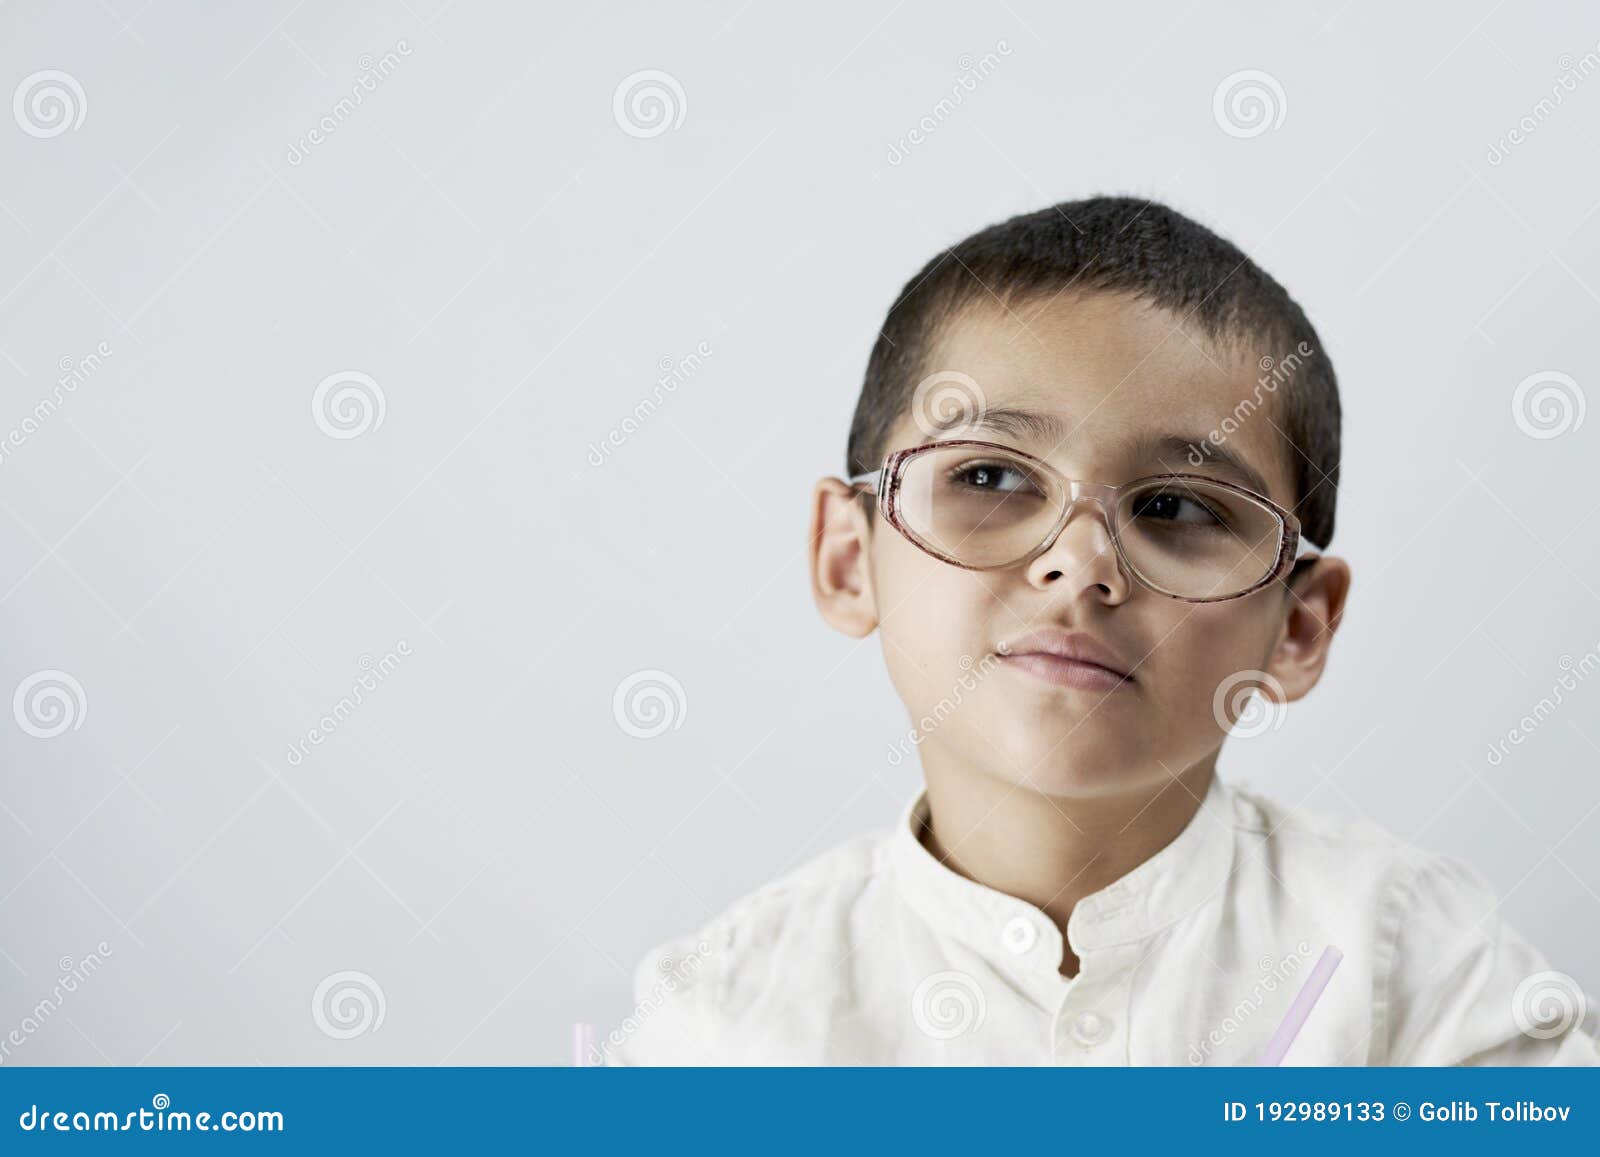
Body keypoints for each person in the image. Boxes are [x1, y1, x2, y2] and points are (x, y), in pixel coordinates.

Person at [602, 197, 1599, 1065]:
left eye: (1176, 507)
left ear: (1297, 626)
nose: (1081, 563)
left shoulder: (1416, 967)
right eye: (988, 476)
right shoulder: (723, 1019)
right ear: (847, 556)